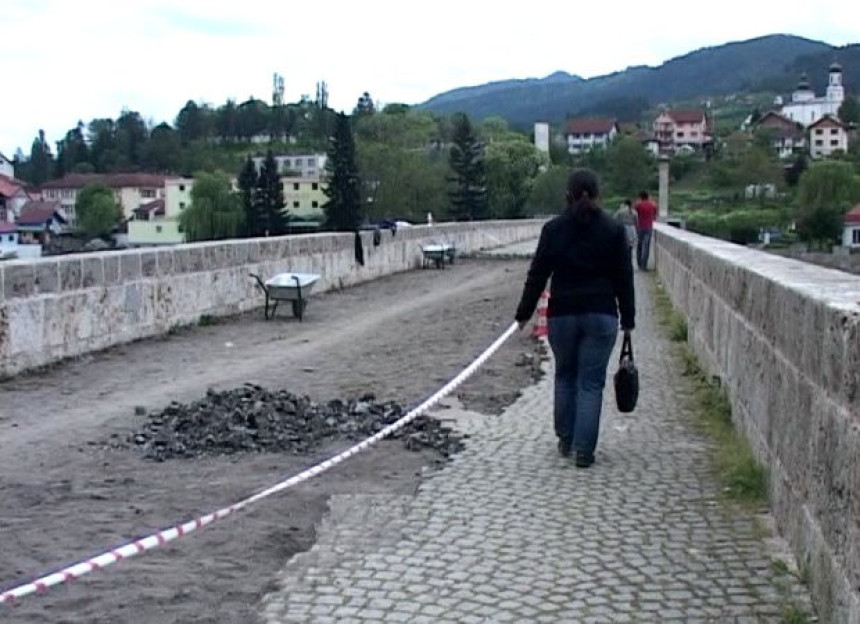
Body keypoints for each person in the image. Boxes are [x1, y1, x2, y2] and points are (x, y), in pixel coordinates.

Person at [514, 169, 635, 468]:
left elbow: (537, 274)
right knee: (591, 383)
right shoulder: (613, 229)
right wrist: (628, 319)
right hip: (601, 314)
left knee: (565, 375)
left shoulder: (553, 229)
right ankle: (584, 450)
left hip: (563, 315)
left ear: (567, 195)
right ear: (597, 195)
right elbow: (624, 278)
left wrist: (523, 314)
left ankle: (566, 438)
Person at [633, 191, 657, 271]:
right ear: (648, 196)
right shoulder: (652, 204)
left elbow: (634, 213)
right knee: (646, 246)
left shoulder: (638, 205)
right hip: (648, 227)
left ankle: (639, 263)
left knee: (639, 245)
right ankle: (644, 265)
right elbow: (655, 213)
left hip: (639, 226)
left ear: (640, 197)